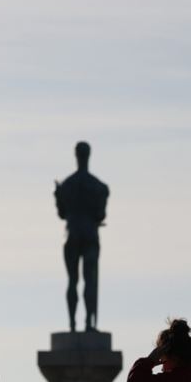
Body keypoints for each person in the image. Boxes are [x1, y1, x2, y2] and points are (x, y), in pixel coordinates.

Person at [54, 141, 110, 332]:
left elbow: (61, 213)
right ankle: (88, 323)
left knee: (72, 280)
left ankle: (72, 323)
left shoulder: (67, 185)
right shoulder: (99, 187)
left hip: (71, 233)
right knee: (90, 280)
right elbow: (101, 215)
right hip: (90, 234)